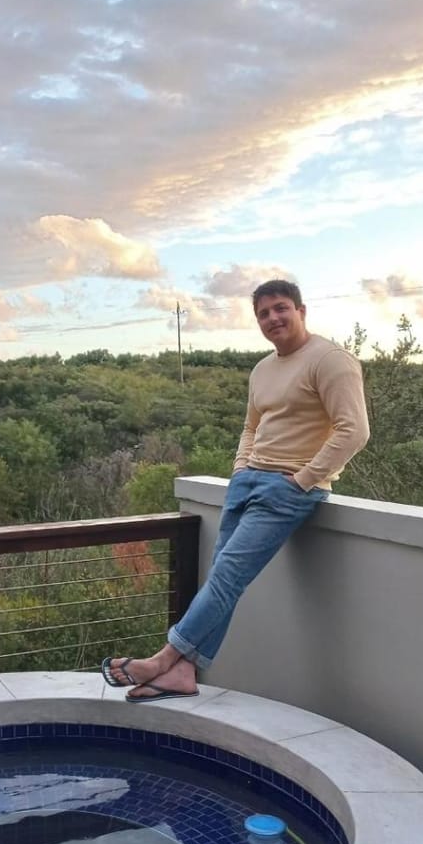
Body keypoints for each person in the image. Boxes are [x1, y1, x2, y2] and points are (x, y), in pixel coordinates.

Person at [102, 278, 369, 702]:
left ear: (301, 311)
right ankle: (183, 673)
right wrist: (240, 467)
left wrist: (302, 480)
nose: (272, 318)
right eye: (263, 313)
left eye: (281, 308)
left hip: (289, 489)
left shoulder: (331, 360)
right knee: (222, 580)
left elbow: (354, 431)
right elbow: (251, 426)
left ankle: (161, 660)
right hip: (247, 481)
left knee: (226, 577)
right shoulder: (262, 369)